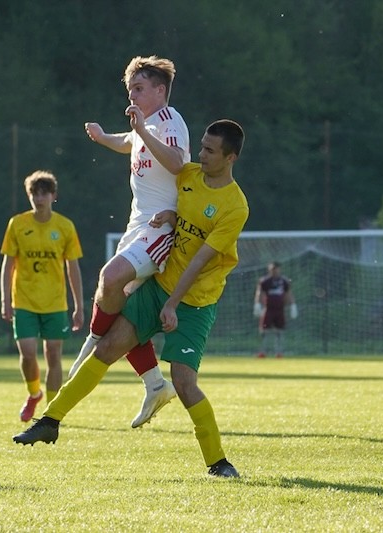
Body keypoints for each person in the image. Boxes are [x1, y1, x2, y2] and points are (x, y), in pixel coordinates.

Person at [14, 119, 249, 479]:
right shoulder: (188, 176)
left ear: (230, 158)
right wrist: (171, 215)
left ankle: (218, 462)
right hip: (159, 288)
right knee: (106, 348)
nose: (200, 154)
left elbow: (200, 260)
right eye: (201, 145)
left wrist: (172, 304)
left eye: (209, 150)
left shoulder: (235, 207)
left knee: (184, 383)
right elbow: (180, 214)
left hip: (195, 302)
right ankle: (50, 420)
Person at [73, 55, 191, 429]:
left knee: (110, 279)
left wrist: (141, 130)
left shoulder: (169, 121)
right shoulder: (145, 125)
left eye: (139, 89)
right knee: (119, 308)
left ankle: (90, 346)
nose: (132, 97)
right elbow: (128, 142)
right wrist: (103, 137)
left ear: (160, 90)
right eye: (130, 90)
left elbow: (177, 163)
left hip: (161, 230)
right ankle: (155, 385)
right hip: (136, 228)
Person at [0, 170, 84, 422]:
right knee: (27, 353)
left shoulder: (65, 226)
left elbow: (73, 268)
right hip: (24, 300)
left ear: (53, 196)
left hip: (55, 303)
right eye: (34, 194)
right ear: (29, 196)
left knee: (53, 355)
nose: (39, 199)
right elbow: (8, 264)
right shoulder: (17, 224)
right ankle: (34, 393)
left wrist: (79, 306)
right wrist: (5, 300)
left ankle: (51, 412)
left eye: (44, 194)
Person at [254, 262, 297, 358]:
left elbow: (289, 293)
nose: (275, 271)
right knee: (264, 329)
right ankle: (262, 351)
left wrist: (293, 305)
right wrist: (257, 304)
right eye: (273, 269)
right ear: (269, 270)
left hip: (280, 309)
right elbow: (259, 292)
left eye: (276, 269)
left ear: (279, 269)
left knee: (280, 330)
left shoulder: (284, 281)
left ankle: (279, 352)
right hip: (268, 309)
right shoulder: (265, 281)